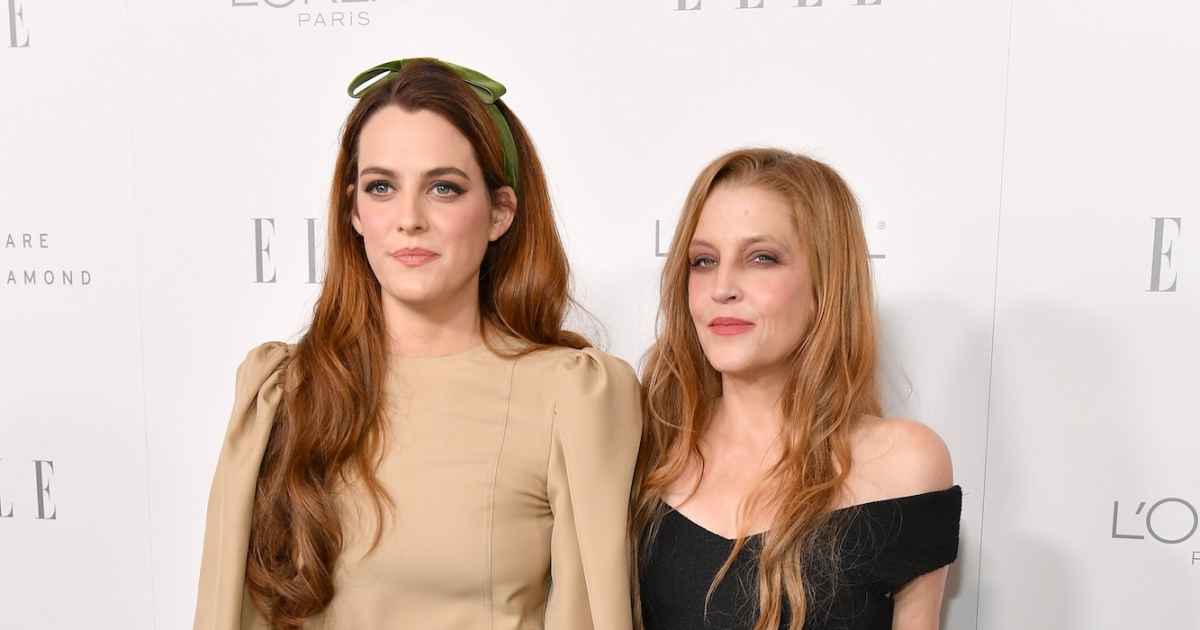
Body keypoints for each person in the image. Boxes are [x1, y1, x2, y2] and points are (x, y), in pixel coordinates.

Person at [192, 57, 642, 630]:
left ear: (500, 212)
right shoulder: (283, 392)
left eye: (443, 188)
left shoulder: (570, 397)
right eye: (381, 187)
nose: (409, 218)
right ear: (354, 211)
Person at [633, 148, 961, 630]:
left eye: (761, 258)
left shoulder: (904, 465)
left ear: (825, 284)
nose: (722, 287)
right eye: (703, 261)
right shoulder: (648, 448)